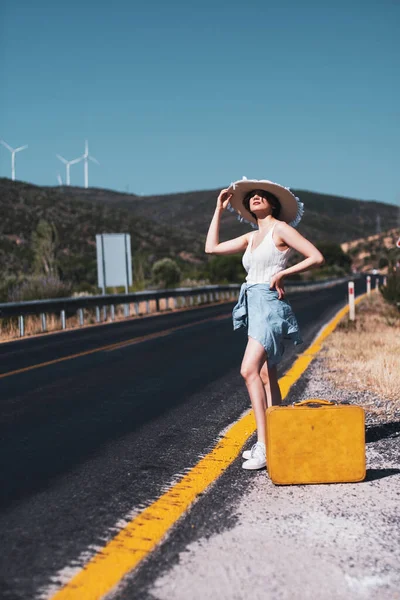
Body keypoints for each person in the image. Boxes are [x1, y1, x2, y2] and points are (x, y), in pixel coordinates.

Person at [205, 178, 325, 470]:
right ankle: (277, 438)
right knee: (264, 373)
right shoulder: (250, 237)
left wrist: (284, 274)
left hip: (269, 305)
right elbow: (211, 248)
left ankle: (264, 445)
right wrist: (219, 210)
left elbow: (316, 257)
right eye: (252, 197)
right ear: (248, 207)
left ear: (273, 204)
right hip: (252, 303)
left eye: (262, 195)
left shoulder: (280, 229)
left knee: (248, 370)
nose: (255, 198)